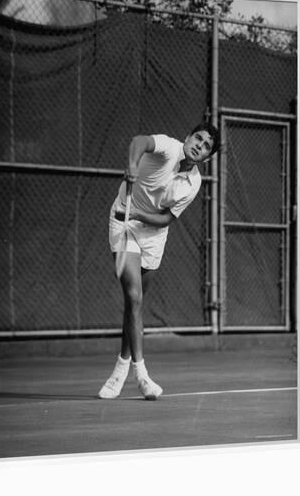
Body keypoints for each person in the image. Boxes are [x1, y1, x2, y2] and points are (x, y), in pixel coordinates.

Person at [98, 121, 220, 400]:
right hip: (123, 222)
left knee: (134, 304)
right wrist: (132, 164)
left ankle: (120, 367)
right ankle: (141, 375)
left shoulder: (194, 183)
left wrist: (140, 217)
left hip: (153, 235)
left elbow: (166, 219)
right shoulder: (167, 147)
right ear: (187, 137)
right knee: (134, 297)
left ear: (207, 157)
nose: (198, 146)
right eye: (197, 139)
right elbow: (139, 141)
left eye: (205, 147)